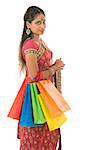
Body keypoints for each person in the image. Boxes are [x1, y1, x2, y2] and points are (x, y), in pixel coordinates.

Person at [17, 6, 65, 150]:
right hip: (36, 98)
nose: (42, 26)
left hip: (45, 94)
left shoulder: (40, 42)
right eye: (38, 22)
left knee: (50, 133)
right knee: (35, 134)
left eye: (44, 22)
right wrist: (54, 68)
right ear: (28, 25)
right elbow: (33, 76)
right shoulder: (30, 45)